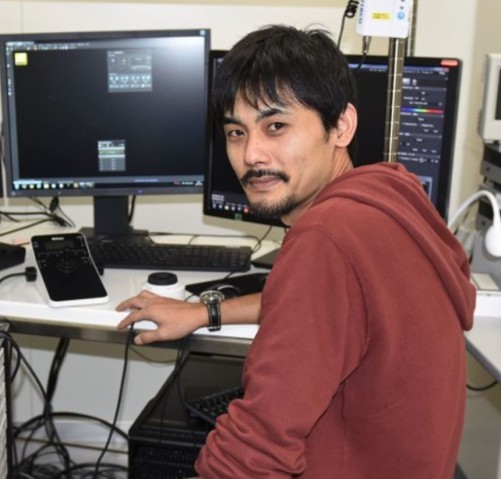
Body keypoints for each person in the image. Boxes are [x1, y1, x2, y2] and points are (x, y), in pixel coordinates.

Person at [117, 25, 476, 479]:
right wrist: (206, 312)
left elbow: (257, 448)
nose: (251, 154)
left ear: (340, 126)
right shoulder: (393, 193)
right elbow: (326, 308)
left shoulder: (325, 240)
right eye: (235, 132)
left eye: (276, 126)